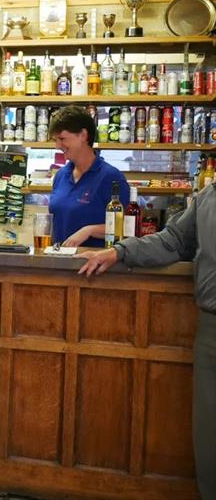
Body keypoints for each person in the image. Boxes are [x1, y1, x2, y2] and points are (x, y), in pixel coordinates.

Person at [77, 180, 215, 499]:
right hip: (212, 329)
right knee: (210, 442)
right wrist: (120, 251)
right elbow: (174, 240)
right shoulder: (210, 196)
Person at [48, 105, 129, 247]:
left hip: (94, 265)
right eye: (56, 140)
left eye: (62, 138)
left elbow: (125, 229)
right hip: (61, 263)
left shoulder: (111, 178)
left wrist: (89, 230)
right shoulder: (60, 176)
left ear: (83, 136)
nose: (57, 145)